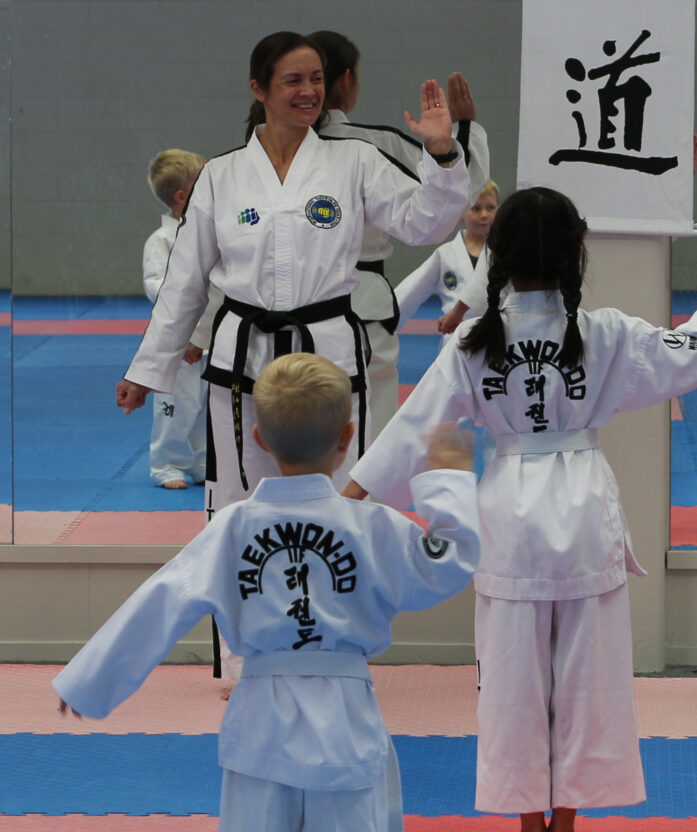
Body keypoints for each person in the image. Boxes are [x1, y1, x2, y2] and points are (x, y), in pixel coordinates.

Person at [56, 353, 482, 832]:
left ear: (256, 438)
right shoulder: (372, 528)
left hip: (260, 720)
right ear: (349, 437)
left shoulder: (230, 527)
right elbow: (454, 558)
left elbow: (162, 601)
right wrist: (446, 470)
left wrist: (91, 681)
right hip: (344, 719)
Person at [348, 191, 697, 832]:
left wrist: (345, 498)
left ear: (497, 259)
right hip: (584, 506)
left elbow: (411, 433)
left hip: (506, 515)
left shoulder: (474, 345)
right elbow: (696, 354)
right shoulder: (608, 334)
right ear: (577, 256)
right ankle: (567, 831)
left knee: (510, 677)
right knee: (588, 676)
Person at [113, 31, 471, 510]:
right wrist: (150, 369)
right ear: (259, 89)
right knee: (240, 498)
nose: (309, 91)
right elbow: (184, 283)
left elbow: (423, 224)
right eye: (293, 80)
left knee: (338, 493)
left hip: (327, 350)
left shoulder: (355, 160)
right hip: (243, 352)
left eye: (317, 79)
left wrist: (442, 153)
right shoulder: (222, 175)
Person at [308, 30, 492, 445]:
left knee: (285, 434)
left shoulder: (254, 152)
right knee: (365, 437)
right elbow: (460, 189)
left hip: (273, 313)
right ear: (347, 80)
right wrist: (464, 132)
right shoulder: (371, 145)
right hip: (357, 311)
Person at [143, 148, 212, 490]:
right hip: (177, 337)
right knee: (175, 406)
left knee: (205, 406)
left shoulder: (210, 232)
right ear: (183, 195)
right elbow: (157, 287)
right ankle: (166, 464)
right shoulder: (161, 241)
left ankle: (202, 462)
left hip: (210, 336)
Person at [391, 180, 496, 328]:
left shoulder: (505, 252)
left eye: (491, 208)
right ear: (460, 213)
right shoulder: (446, 254)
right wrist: (384, 320)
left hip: (496, 333)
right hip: (456, 333)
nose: (484, 215)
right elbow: (411, 291)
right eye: (476, 208)